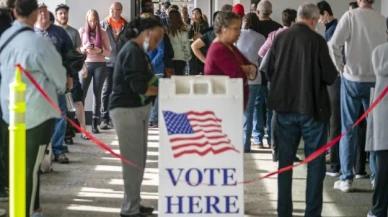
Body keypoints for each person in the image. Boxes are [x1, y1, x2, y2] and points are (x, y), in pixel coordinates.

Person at [265, 3, 337, 216]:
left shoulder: (280, 38)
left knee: (285, 164)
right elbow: (330, 76)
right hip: (312, 110)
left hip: (284, 109)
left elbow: (268, 70)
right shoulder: (317, 40)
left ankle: (284, 212)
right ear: (314, 20)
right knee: (315, 165)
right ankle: (312, 213)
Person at [0, 0, 67, 215]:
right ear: (35, 14)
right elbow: (60, 79)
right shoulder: (39, 43)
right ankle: (26, 212)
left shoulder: (4, 39)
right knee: (29, 168)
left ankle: (32, 209)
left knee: (18, 165)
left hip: (9, 112)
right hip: (37, 115)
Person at [329, 0, 386, 193]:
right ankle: (376, 177)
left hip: (352, 79)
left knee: (348, 128)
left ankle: (346, 179)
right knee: (376, 131)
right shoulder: (382, 19)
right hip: (377, 81)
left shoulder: (350, 16)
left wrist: (341, 69)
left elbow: (333, 44)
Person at [109, 17, 163, 217]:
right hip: (126, 109)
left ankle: (134, 202)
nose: (156, 44)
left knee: (138, 161)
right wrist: (164, 91)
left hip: (136, 109)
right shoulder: (132, 51)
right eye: (156, 39)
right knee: (132, 162)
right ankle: (129, 209)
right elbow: (138, 86)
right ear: (147, 33)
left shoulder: (138, 51)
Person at [35, 2, 73, 164]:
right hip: (36, 84)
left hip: (58, 82)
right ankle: (39, 152)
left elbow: (70, 57)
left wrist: (69, 77)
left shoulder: (60, 33)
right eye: (39, 11)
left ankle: (58, 149)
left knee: (60, 115)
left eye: (45, 11)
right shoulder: (30, 33)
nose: (43, 14)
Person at [258, 8, 297, 161]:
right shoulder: (296, 36)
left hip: (274, 80)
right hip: (292, 80)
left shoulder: (274, 35)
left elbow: (261, 52)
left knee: (275, 114)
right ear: (293, 21)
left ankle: (275, 150)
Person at [204, 12, 257, 107]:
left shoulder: (230, 46)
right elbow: (239, 76)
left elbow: (251, 67)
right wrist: (248, 69)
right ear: (224, 29)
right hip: (222, 107)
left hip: (231, 106)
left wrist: (245, 68)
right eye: (236, 29)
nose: (240, 32)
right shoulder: (218, 49)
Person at [55, 3, 89, 141]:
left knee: (78, 101)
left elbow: (77, 52)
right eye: (61, 13)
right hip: (56, 73)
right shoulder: (52, 32)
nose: (63, 15)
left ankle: (83, 130)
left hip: (72, 72)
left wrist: (84, 66)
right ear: (56, 16)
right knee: (60, 104)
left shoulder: (74, 32)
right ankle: (64, 133)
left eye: (65, 13)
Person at [317, 0, 341, 177]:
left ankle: (334, 164)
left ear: (326, 13)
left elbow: (331, 59)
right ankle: (332, 157)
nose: (318, 21)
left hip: (335, 80)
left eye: (319, 17)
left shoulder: (333, 31)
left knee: (334, 122)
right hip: (335, 79)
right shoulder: (333, 28)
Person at [366, 18, 388, 217]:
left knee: (382, 167)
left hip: (384, 119)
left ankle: (379, 210)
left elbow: (379, 71)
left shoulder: (379, 52)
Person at [236, 13, 265, 153]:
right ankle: (250, 142)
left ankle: (239, 143)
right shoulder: (261, 38)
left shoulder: (235, 35)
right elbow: (262, 62)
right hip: (255, 78)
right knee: (251, 111)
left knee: (238, 112)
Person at [79, 9, 111, 134]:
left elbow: (109, 51)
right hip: (86, 64)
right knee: (81, 94)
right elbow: (78, 50)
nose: (92, 23)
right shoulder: (82, 31)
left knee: (97, 94)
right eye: (90, 20)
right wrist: (84, 48)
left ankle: (94, 123)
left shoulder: (102, 32)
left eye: (95, 20)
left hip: (100, 65)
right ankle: (80, 123)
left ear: (98, 20)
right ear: (87, 20)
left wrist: (100, 51)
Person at [100, 2, 128, 130]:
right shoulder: (103, 24)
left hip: (121, 65)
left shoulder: (126, 26)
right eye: (110, 9)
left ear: (120, 11)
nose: (111, 11)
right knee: (106, 90)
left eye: (115, 10)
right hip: (106, 62)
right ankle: (104, 119)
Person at [168, 9, 191, 75]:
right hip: (180, 57)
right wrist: (188, 57)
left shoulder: (169, 30)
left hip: (171, 58)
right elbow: (185, 45)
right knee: (179, 78)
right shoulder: (182, 30)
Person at [188, 8, 209, 75]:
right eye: (193, 14)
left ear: (200, 14)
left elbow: (203, 34)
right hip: (192, 48)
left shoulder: (204, 23)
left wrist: (195, 36)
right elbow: (188, 36)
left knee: (202, 67)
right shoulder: (191, 23)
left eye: (197, 13)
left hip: (202, 47)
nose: (195, 15)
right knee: (192, 68)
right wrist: (191, 25)